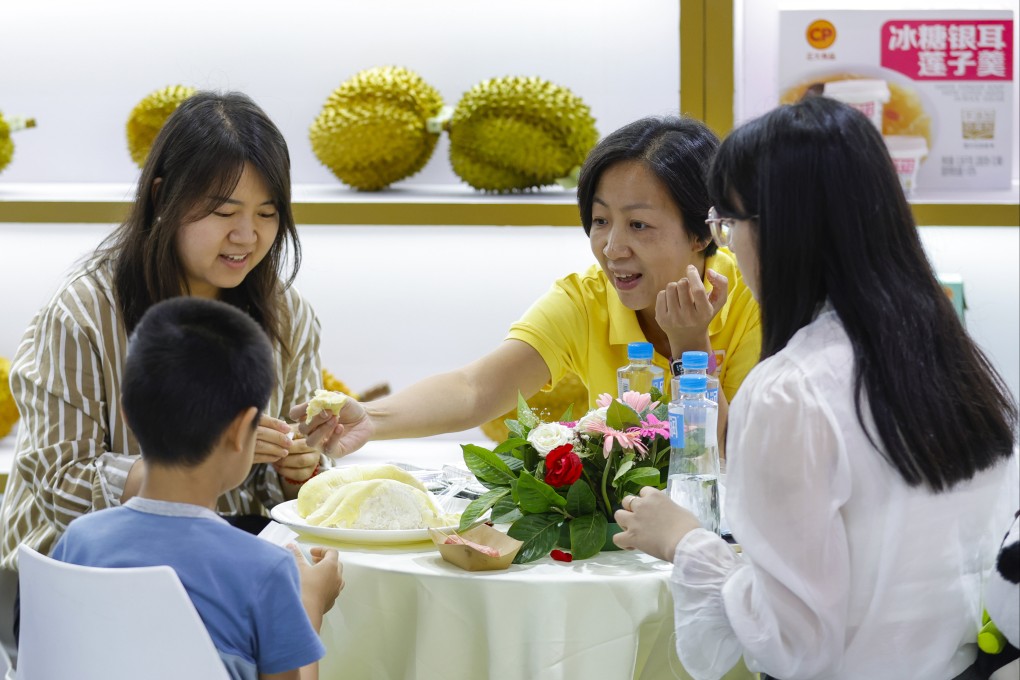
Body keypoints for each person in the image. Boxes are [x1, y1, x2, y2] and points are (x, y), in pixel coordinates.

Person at [612, 95, 1018, 680]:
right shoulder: (952, 357)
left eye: (728, 224)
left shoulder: (790, 391)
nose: (727, 244)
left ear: (783, 231)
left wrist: (686, 543)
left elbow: (796, 643)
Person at [296, 116, 761, 458]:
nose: (613, 247)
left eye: (639, 225)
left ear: (703, 232)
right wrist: (369, 419)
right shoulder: (586, 298)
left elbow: (727, 459)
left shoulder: (756, 298)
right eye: (600, 221)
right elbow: (475, 389)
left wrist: (690, 348)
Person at [1, 90, 325, 575]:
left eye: (267, 212)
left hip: (223, 555)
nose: (247, 235)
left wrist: (300, 473)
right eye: (223, 212)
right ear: (162, 197)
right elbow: (60, 483)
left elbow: (281, 498)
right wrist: (202, 458)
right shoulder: (82, 313)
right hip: (86, 570)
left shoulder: (288, 314)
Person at [51, 297, 344, 680]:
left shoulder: (79, 540)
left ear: (127, 411)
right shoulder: (268, 572)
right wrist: (311, 603)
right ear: (243, 430)